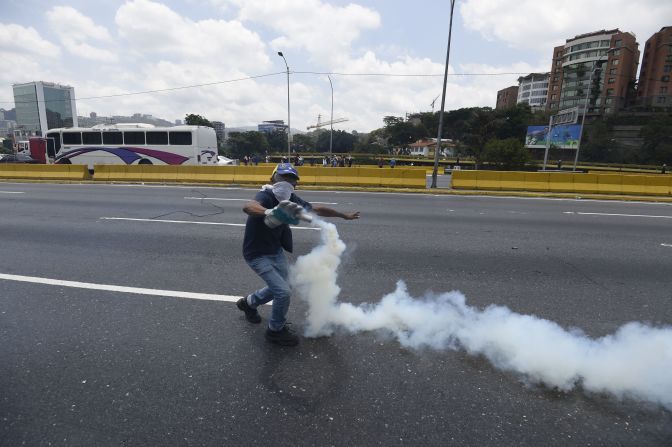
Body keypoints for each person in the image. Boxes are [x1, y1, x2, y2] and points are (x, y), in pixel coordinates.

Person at [238, 163, 360, 346]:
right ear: (273, 179)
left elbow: (316, 210)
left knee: (283, 286)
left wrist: (343, 215)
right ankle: (275, 331)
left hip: (275, 251)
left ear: (295, 185)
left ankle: (248, 303)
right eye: (282, 178)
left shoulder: (292, 199)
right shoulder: (266, 194)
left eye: (291, 181)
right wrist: (269, 211)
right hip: (257, 254)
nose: (286, 183)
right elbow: (249, 206)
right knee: (283, 292)